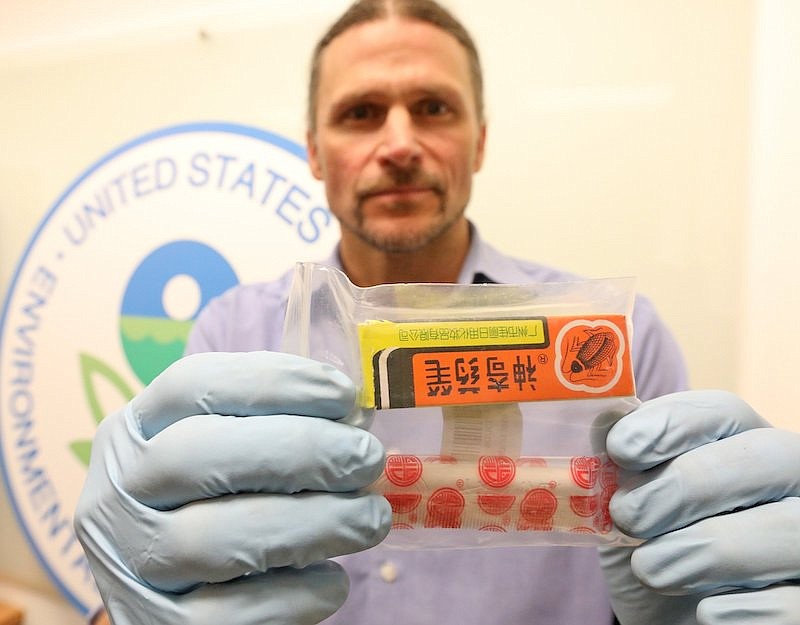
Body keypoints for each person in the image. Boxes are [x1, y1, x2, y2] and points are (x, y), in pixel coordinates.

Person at [75, 1, 800, 624]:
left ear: (478, 141)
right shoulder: (231, 335)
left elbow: (676, 556)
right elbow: (187, 571)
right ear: (315, 154)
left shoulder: (612, 339)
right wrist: (139, 592)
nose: (398, 144)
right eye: (361, 114)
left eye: (434, 108)